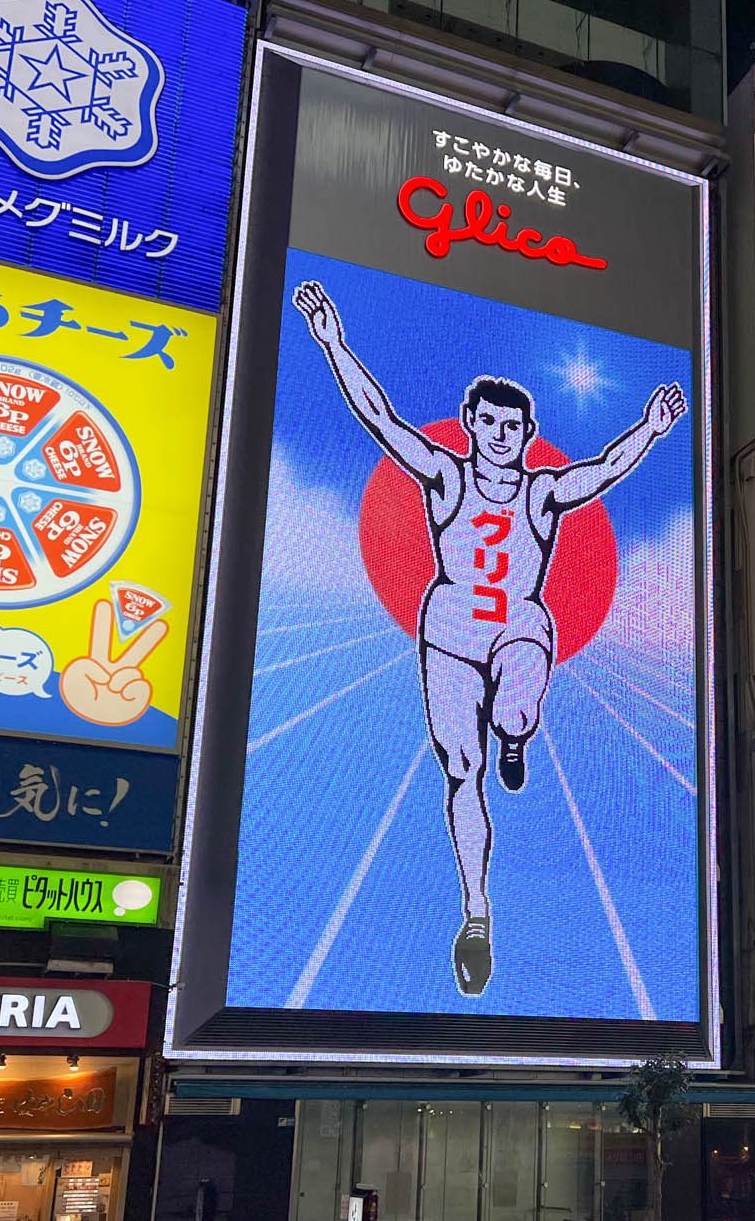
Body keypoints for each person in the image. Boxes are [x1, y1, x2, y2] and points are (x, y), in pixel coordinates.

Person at [294, 280, 685, 996]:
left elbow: (601, 470)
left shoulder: (541, 492)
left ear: (526, 434)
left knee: (514, 702)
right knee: (460, 769)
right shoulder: (444, 476)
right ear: (472, 423)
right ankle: (476, 911)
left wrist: (651, 429)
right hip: (448, 631)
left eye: (514, 427)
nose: (502, 435)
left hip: (518, 628)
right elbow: (382, 419)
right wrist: (332, 341)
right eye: (490, 423)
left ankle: (516, 730)